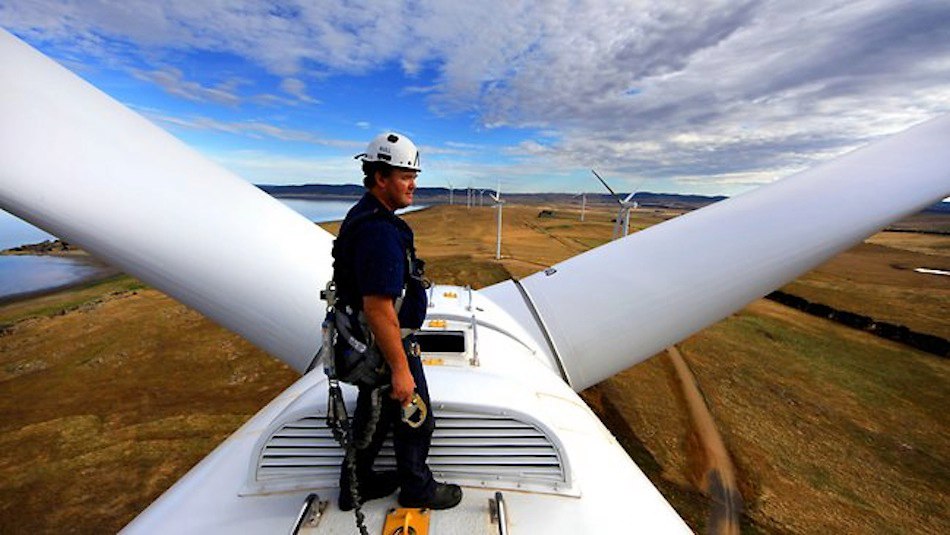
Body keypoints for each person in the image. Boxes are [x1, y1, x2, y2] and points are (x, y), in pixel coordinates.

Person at [333, 132, 462, 511]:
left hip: (372, 346)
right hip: (385, 347)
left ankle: (357, 485)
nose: (413, 185)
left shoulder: (367, 217)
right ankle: (416, 490)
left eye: (413, 176)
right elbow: (378, 308)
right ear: (380, 178)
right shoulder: (378, 233)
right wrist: (401, 369)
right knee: (415, 419)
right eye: (405, 176)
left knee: (376, 416)